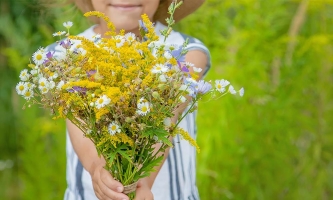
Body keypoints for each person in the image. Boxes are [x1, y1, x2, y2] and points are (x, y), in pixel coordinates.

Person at [47, 0, 211, 199]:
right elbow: (79, 121)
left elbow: (168, 114)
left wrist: (142, 181)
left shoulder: (187, 52)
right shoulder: (67, 55)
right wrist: (97, 168)